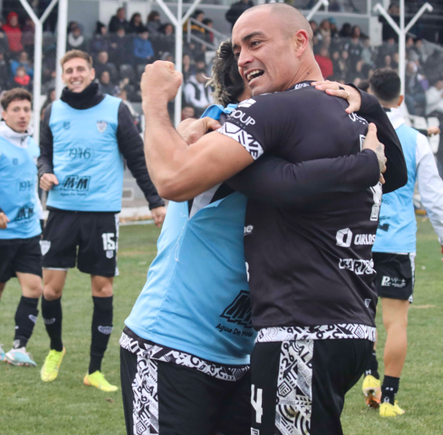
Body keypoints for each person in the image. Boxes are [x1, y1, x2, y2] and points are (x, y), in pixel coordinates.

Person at [139, 4, 407, 433]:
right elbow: (373, 173)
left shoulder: (277, 115)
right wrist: (366, 142)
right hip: (220, 340)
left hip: (292, 333)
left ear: (300, 41)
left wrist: (153, 102)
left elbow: (181, 177)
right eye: (240, 52)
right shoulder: (345, 114)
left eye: (256, 43)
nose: (245, 59)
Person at [36, 50, 167, 390]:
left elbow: (137, 157)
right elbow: (44, 153)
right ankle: (55, 348)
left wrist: (155, 201)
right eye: (69, 70)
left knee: (103, 288)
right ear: (62, 75)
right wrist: (44, 172)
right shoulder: (51, 111)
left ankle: (94, 370)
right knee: (50, 290)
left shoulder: (115, 109)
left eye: (81, 68)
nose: (75, 74)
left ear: (92, 72)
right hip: (62, 211)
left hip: (100, 213)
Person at [362, 69, 443, 417]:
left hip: (360, 239)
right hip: (399, 243)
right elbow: (432, 195)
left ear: (370, 94)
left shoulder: (358, 132)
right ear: (401, 99)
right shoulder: (416, 139)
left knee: (362, 317)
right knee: (396, 323)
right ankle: (388, 400)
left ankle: (369, 377)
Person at [0, 88, 43, 367]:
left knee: (34, 288)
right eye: (16, 110)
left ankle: (19, 347)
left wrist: (40, 216)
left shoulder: (32, 145)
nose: (22, 115)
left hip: (29, 232)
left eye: (26, 109)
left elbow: (31, 189)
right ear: (3, 114)